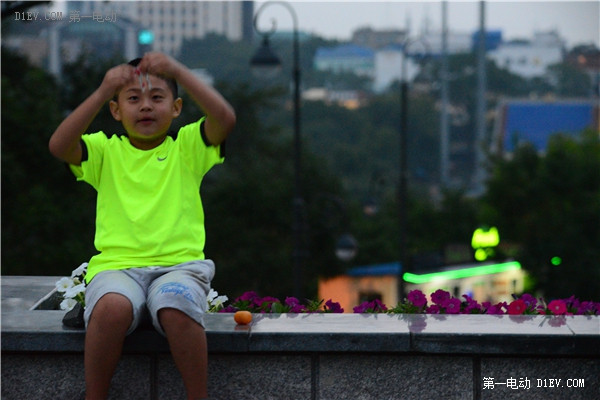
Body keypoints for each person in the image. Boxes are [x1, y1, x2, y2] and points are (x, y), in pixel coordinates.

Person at [49, 52, 236, 400]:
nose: (146, 107)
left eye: (157, 97)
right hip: (117, 269)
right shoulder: (105, 151)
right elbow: (59, 145)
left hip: (179, 268)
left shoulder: (188, 147)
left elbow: (224, 117)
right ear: (116, 111)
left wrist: (178, 69)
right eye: (133, 99)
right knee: (110, 309)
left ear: (177, 108)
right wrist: (103, 89)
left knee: (175, 305)